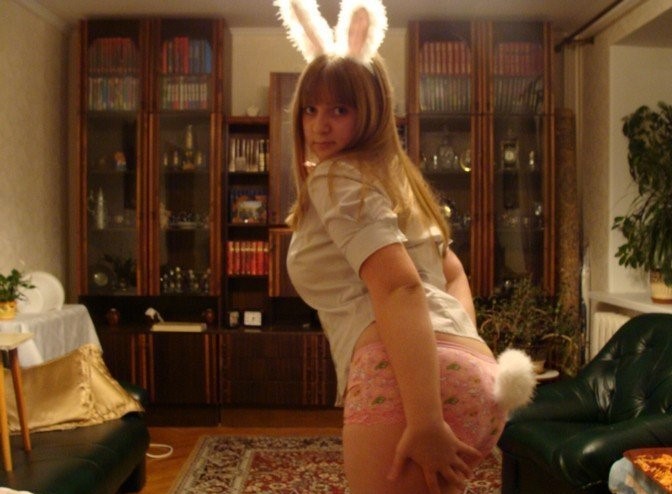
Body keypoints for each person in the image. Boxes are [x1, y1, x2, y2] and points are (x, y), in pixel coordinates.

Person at [276, 1, 536, 493]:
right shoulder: (397, 180)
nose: (319, 125)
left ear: (371, 111)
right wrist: (459, 357)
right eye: (310, 109)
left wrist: (426, 418)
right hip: (475, 370)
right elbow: (453, 273)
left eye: (339, 109)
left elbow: (399, 288)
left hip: (405, 380)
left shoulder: (337, 178)